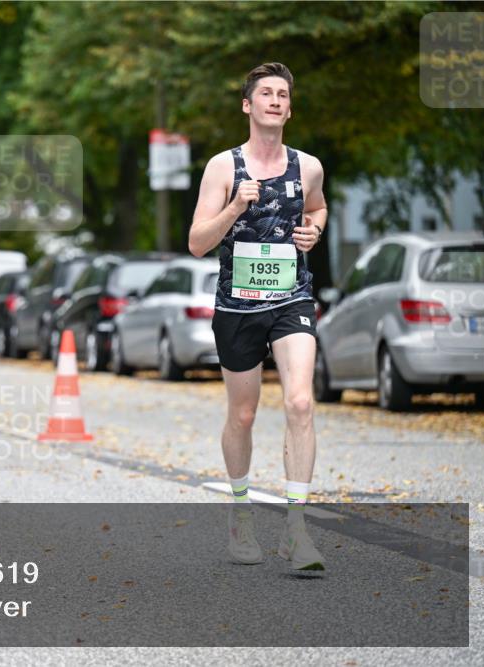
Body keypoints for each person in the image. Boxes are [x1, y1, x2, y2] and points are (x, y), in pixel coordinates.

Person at [189, 63, 328, 572]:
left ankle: (297, 530)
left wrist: (314, 230)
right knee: (243, 415)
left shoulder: (307, 166)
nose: (274, 100)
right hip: (237, 305)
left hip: (291, 298)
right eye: (264, 93)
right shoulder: (223, 168)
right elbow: (197, 243)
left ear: (289, 108)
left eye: (282, 94)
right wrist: (232, 209)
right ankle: (241, 513)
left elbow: (318, 208)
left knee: (299, 402)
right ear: (247, 106)